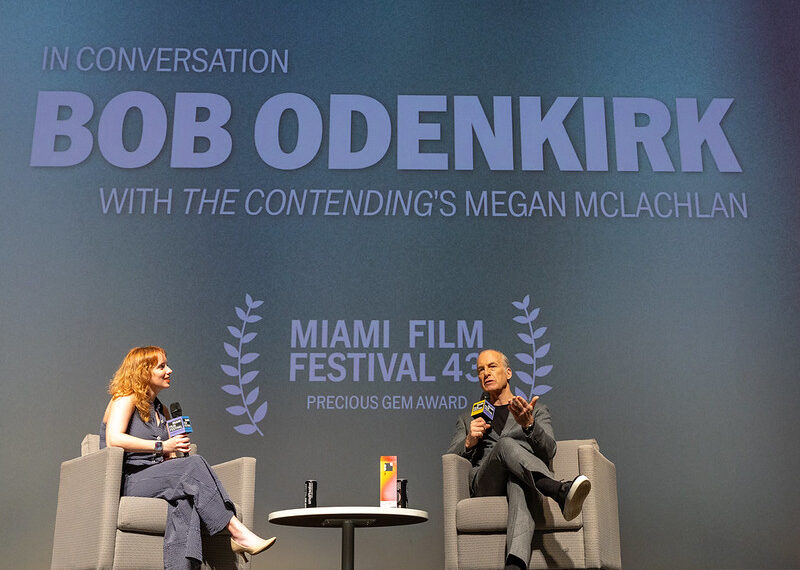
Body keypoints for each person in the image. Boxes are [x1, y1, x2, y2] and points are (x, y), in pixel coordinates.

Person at [101, 346, 276, 569]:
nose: (169, 370)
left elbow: (168, 454)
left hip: (156, 479)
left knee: (186, 500)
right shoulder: (125, 398)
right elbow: (113, 439)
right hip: (130, 480)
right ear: (144, 371)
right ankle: (236, 531)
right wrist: (162, 445)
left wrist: (173, 453)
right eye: (162, 366)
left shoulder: (161, 410)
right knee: (194, 463)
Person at [446, 349, 591, 570]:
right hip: (487, 483)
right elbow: (451, 459)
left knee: (518, 483)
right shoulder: (469, 418)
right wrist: (468, 442)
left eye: (492, 367)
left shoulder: (535, 410)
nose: (486, 373)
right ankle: (557, 490)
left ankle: (515, 564)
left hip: (523, 479)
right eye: (480, 370)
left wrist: (529, 425)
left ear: (508, 372)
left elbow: (550, 449)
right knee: (505, 444)